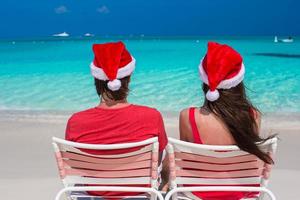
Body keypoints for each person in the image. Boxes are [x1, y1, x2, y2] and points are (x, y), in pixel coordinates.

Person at [65, 41, 168, 198]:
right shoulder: (152, 117)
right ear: (128, 79)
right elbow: (159, 159)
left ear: (96, 80)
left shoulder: (76, 121)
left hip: (94, 194)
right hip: (138, 194)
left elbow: (74, 163)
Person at [179, 42, 275, 200]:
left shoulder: (188, 117)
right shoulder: (253, 116)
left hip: (197, 195)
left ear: (204, 80)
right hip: (242, 194)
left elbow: (185, 161)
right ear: (238, 82)